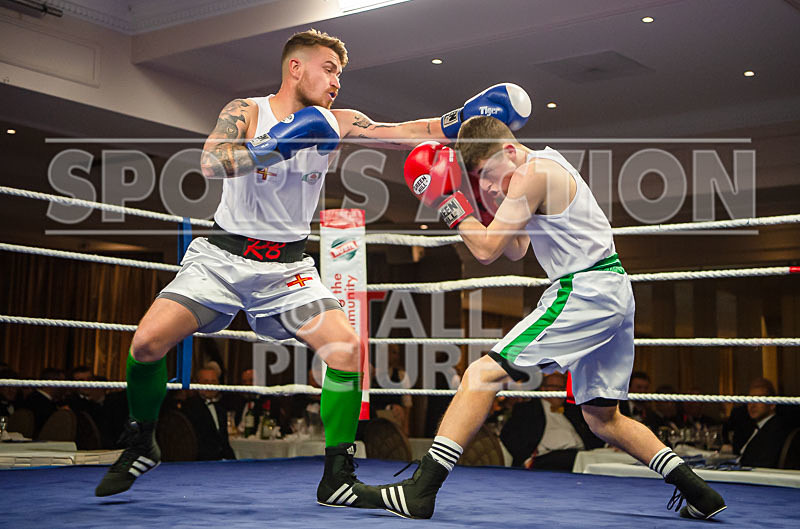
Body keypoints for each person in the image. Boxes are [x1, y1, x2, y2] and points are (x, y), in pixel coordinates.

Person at [94, 28, 530, 502]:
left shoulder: (338, 120)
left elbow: (401, 132)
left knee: (345, 351)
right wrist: (278, 143)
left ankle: (337, 475)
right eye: (328, 69)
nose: (336, 81)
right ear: (294, 67)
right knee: (146, 343)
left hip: (289, 268)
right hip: (222, 258)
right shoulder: (246, 111)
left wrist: (462, 118)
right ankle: (141, 440)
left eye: (340, 73)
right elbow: (210, 163)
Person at [351, 116, 726, 520]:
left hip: (584, 289)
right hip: (611, 290)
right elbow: (515, 248)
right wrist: (484, 199)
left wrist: (449, 202)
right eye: (481, 179)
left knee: (480, 375)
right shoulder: (538, 168)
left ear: (509, 151)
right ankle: (700, 493)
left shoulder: (533, 174)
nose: (491, 186)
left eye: (489, 175)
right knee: (603, 418)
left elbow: (485, 251)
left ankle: (421, 490)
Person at [500, 372, 603, 470]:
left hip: (581, 455)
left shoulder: (572, 411)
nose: (558, 391)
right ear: (543, 389)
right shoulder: (527, 409)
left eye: (561, 388)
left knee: (603, 459)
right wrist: (526, 459)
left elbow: (590, 432)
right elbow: (508, 435)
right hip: (547, 458)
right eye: (554, 387)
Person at [182, 368, 236, 461]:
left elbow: (224, 443)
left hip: (222, 462)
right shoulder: (188, 408)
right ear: (197, 384)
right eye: (205, 381)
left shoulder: (221, 408)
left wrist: (233, 462)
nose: (210, 385)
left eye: (214, 382)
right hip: (199, 463)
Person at [738, 379, 788, 468]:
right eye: (750, 399)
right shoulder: (751, 427)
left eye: (758, 399)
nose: (752, 405)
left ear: (772, 404)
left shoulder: (775, 431)